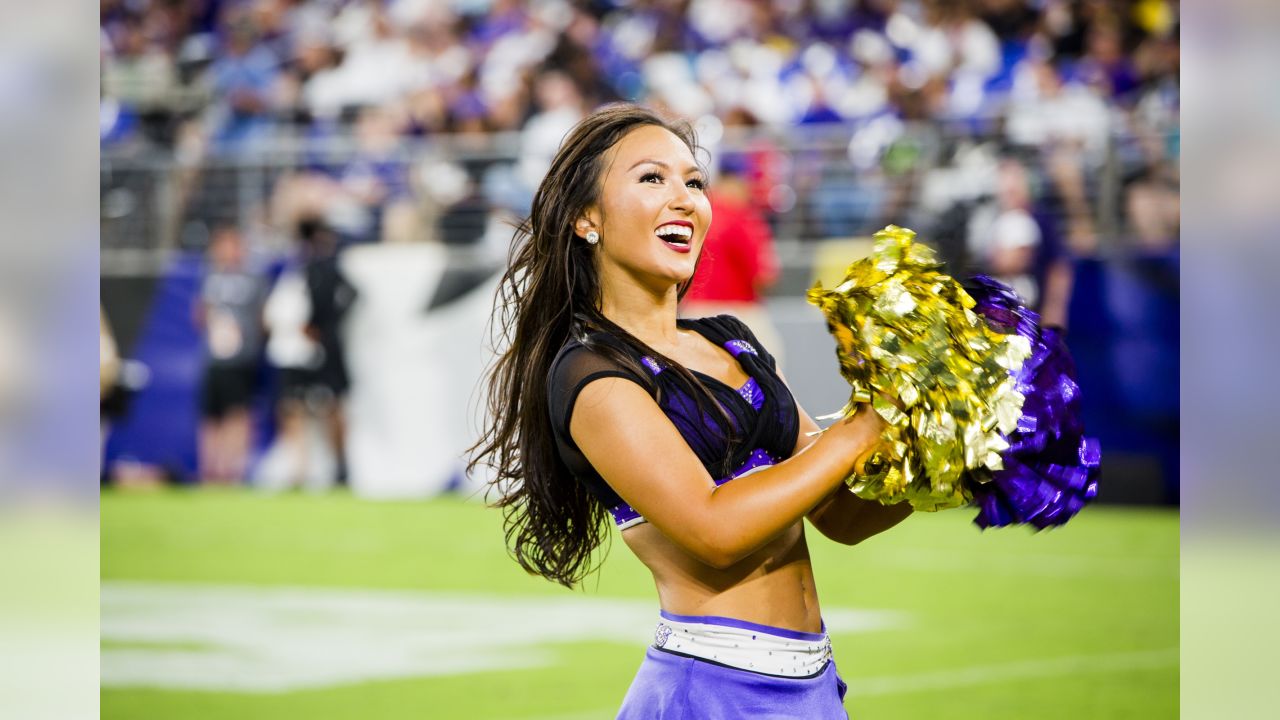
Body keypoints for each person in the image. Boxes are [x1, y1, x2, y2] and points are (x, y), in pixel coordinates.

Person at [470, 104, 912, 718]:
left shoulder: (731, 339)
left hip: (810, 686)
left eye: (694, 182)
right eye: (652, 179)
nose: (683, 198)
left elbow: (844, 515)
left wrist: (941, 444)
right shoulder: (591, 375)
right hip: (711, 690)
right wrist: (866, 423)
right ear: (586, 218)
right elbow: (715, 531)